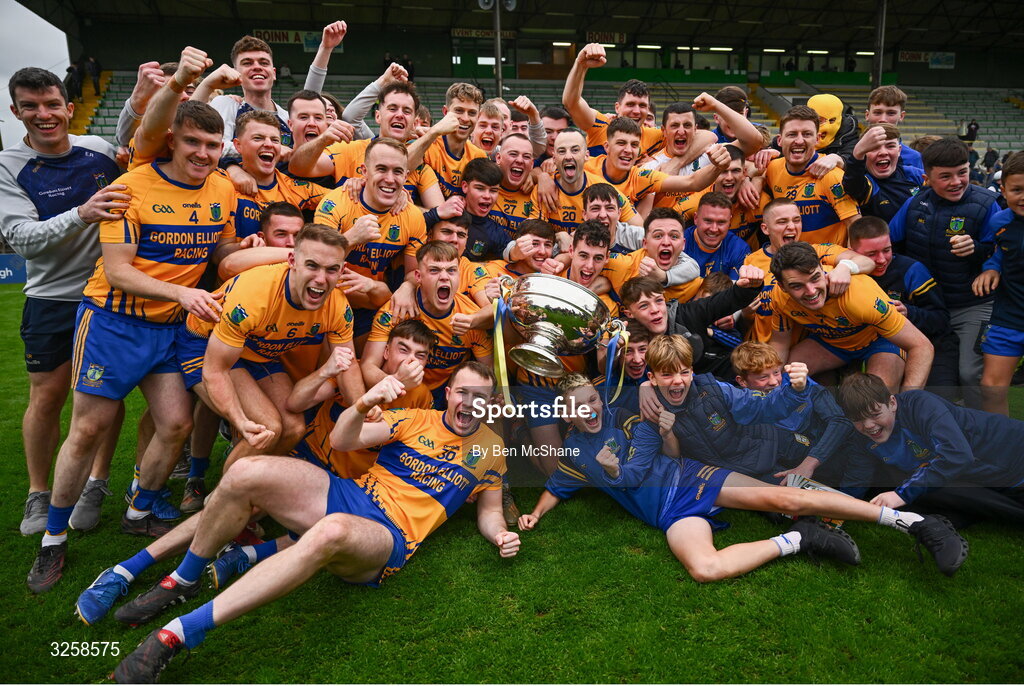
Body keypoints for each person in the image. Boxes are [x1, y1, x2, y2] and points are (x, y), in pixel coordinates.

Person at [111, 362, 519, 683]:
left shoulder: (491, 450)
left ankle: (181, 631)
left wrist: (500, 533)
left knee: (332, 529)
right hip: (349, 493)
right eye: (463, 392)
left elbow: (489, 511)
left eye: (480, 397)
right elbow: (343, 440)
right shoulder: (415, 419)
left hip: (388, 535)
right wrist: (363, 403)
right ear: (448, 394)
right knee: (245, 472)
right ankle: (185, 578)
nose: (469, 403)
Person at [519, 345, 968, 583]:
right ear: (565, 414)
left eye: (594, 399)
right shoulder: (586, 446)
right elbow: (561, 482)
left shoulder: (639, 417)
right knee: (705, 569)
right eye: (579, 406)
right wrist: (536, 511)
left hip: (698, 477)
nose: (591, 410)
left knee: (786, 496)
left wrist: (793, 388)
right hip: (668, 512)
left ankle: (912, 522)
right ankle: (801, 538)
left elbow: (644, 467)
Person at [26, 100, 240, 594]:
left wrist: (242, 252)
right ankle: (53, 539)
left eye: (212, 145)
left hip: (168, 328)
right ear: (172, 140)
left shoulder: (223, 188)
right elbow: (119, 270)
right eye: (193, 142)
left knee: (177, 424)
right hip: (113, 324)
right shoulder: (132, 186)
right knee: (88, 429)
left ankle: (138, 511)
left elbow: (222, 247)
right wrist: (181, 294)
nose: (203, 153)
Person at [1, 67, 126, 536]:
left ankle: (96, 483)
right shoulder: (8, 165)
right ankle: (38, 493)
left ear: (69, 108)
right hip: (51, 298)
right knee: (48, 396)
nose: (44, 114)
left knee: (104, 395)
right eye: (30, 106)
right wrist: (81, 214)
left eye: (52, 104)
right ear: (16, 112)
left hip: (107, 295)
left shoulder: (98, 150)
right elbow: (20, 239)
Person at [888, 137, 1002, 408]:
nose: (956, 182)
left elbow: (1003, 251)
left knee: (970, 374)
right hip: (927, 308)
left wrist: (978, 250)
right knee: (922, 375)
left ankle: (979, 429)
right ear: (927, 178)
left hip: (971, 305)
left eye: (962, 172)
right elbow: (888, 244)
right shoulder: (914, 205)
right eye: (946, 176)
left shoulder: (987, 204)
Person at [836, 372, 1024, 519]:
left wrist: (901, 494)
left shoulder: (920, 405)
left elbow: (957, 455)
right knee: (926, 493)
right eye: (858, 419)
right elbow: (857, 478)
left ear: (892, 403)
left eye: (875, 414)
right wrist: (838, 505)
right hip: (988, 479)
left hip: (1015, 457)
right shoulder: (861, 437)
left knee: (914, 491)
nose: (868, 425)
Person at [766, 241, 934, 392]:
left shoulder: (859, 296)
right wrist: (771, 385)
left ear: (822, 269)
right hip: (830, 342)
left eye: (815, 278)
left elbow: (922, 346)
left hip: (880, 340)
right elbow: (780, 343)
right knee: (781, 380)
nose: (811, 291)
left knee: (877, 400)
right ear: (782, 286)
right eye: (797, 286)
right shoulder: (780, 297)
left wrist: (910, 400)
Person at [313, 137, 427, 344]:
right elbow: (314, 261)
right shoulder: (335, 203)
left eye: (397, 172)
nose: (390, 179)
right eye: (381, 169)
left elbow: (413, 272)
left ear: (406, 176)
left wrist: (408, 287)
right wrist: (351, 239)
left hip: (371, 302)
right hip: (324, 298)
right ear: (364, 171)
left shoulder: (412, 216)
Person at [362, 240, 492, 408]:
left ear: (459, 276)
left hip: (444, 395)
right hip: (395, 389)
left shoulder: (471, 319)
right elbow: (368, 366)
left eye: (451, 270)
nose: (444, 277)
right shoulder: (396, 310)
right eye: (434, 270)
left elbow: (488, 373)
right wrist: (395, 382)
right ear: (418, 277)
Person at [847, 216, 959, 401]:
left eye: (887, 250)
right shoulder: (846, 275)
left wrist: (910, 312)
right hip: (872, 345)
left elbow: (941, 319)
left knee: (938, 400)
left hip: (932, 343)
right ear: (852, 253)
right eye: (871, 254)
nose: (881, 259)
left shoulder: (911, 270)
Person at [732, 342, 853, 485]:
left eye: (776, 372)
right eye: (763, 377)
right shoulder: (741, 406)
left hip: (833, 455)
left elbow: (841, 422)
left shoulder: (801, 384)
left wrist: (808, 465)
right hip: (786, 465)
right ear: (742, 381)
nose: (774, 382)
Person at [619, 267, 763, 379]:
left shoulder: (687, 314)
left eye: (658, 301)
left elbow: (722, 302)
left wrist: (749, 286)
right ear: (629, 314)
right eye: (644, 306)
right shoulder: (623, 334)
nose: (655, 310)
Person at [761, 105, 861, 245]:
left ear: (817, 139)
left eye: (807, 134)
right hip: (789, 256)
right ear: (779, 140)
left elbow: (855, 225)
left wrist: (848, 258)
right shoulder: (772, 168)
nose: (799, 141)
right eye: (792, 134)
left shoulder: (831, 175)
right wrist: (755, 179)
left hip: (827, 258)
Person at [974, 152, 1024, 415]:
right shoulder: (999, 222)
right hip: (1009, 314)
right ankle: (1003, 440)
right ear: (1003, 190)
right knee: (991, 387)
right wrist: (991, 269)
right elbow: (1000, 252)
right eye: (1017, 190)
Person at [561, 44, 663, 158]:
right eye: (630, 104)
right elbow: (571, 103)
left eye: (642, 105)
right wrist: (581, 65)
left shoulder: (656, 137)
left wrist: (655, 161)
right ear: (617, 107)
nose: (636, 111)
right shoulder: (600, 126)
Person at [544, 128, 641, 233]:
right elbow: (533, 235)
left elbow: (640, 229)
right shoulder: (543, 190)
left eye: (575, 150)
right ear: (554, 158)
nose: (568, 156)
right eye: (562, 151)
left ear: (587, 156)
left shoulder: (606, 190)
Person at [407, 82, 487, 198]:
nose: (465, 118)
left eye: (472, 113)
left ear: (478, 116)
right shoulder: (425, 145)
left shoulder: (479, 157)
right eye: (459, 110)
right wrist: (434, 132)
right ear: (445, 112)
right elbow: (400, 168)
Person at [842, 123, 924, 223]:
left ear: (899, 151)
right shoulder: (867, 183)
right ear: (864, 152)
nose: (883, 152)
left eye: (890, 146)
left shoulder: (914, 174)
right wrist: (857, 154)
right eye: (874, 148)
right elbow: (852, 185)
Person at [683, 192, 751, 278]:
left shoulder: (739, 249)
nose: (714, 229)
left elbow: (736, 286)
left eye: (721, 222)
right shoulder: (679, 244)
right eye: (708, 221)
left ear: (730, 222)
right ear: (696, 219)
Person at [864, 86, 923, 169]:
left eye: (891, 113)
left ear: (901, 116)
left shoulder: (914, 158)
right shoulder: (852, 153)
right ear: (867, 115)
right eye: (877, 113)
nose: (883, 119)